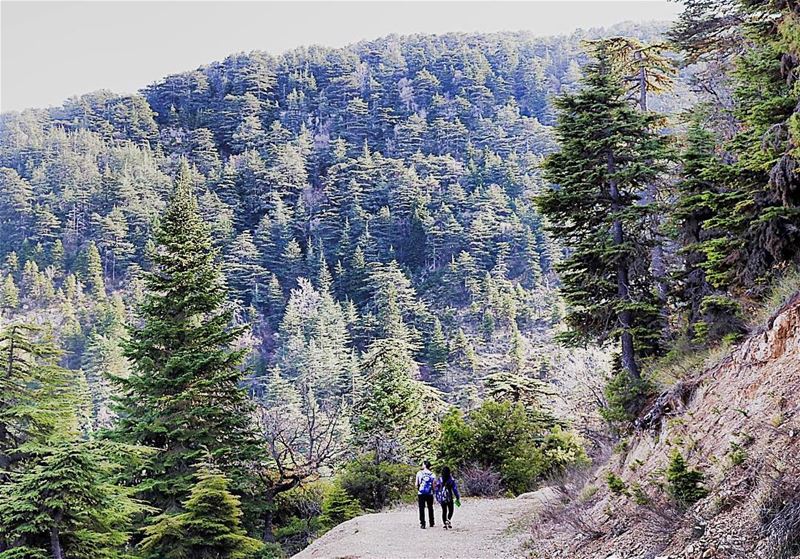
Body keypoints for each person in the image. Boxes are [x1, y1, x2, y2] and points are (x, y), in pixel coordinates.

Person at [415, 460, 436, 529]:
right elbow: (433, 485)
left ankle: (423, 523)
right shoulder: (432, 474)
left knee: (421, 508)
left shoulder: (419, 473)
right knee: (430, 507)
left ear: (424, 465)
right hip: (429, 493)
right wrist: (433, 491)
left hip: (421, 493)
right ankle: (431, 522)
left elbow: (416, 484)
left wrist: (418, 489)